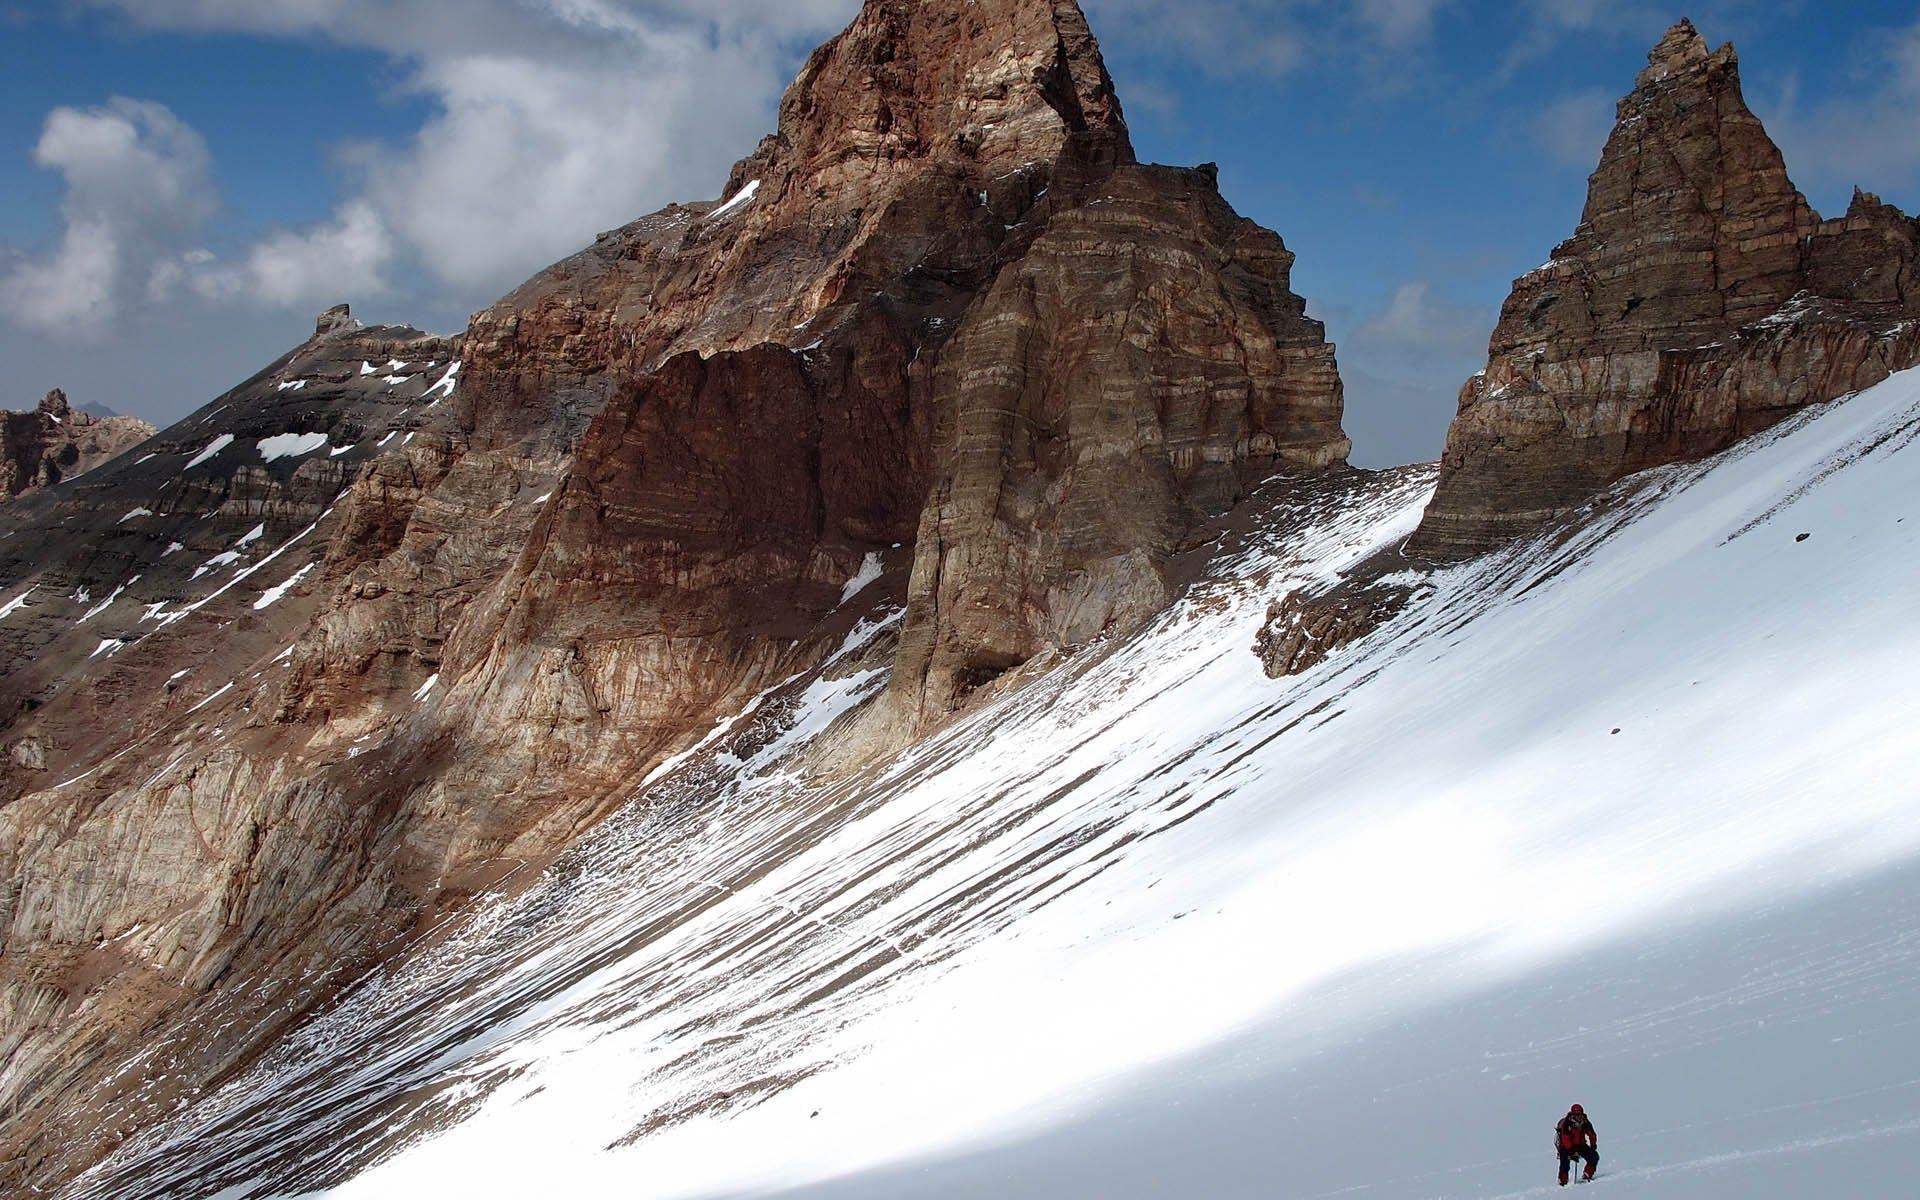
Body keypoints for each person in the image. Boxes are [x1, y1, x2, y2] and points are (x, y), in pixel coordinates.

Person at [1555, 1103, 1599, 1186]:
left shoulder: (1585, 1122)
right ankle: (1563, 1181)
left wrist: (1593, 1146)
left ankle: (1587, 1174)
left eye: (1580, 1114)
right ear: (1572, 1114)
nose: (1578, 1116)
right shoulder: (1567, 1124)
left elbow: (1592, 1134)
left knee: (1594, 1157)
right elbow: (1565, 1139)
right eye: (1576, 1115)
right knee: (1564, 1162)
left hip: (1580, 1144)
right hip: (1566, 1146)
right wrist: (1572, 1152)